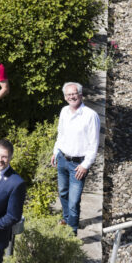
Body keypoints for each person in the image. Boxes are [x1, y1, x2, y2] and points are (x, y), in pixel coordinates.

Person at [51, 82, 100, 235]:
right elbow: (61, 134)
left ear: (81, 94)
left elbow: (94, 144)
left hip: (78, 165)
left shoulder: (91, 116)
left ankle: (72, 231)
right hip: (63, 159)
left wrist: (86, 165)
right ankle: (67, 219)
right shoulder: (64, 111)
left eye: (74, 93)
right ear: (65, 98)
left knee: (73, 200)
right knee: (63, 193)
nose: (71, 97)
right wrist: (55, 151)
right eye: (68, 95)